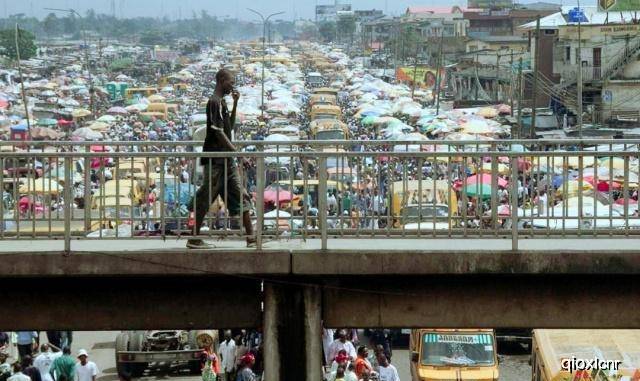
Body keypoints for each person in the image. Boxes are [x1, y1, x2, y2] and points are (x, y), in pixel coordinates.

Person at [187, 69, 254, 249]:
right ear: (222, 80)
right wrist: (238, 154)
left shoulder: (223, 103)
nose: (232, 85)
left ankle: (252, 238)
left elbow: (228, 128)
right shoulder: (213, 103)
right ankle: (193, 238)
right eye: (231, 82)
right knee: (205, 199)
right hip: (216, 160)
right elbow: (218, 134)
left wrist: (235, 104)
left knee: (241, 196)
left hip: (227, 161)